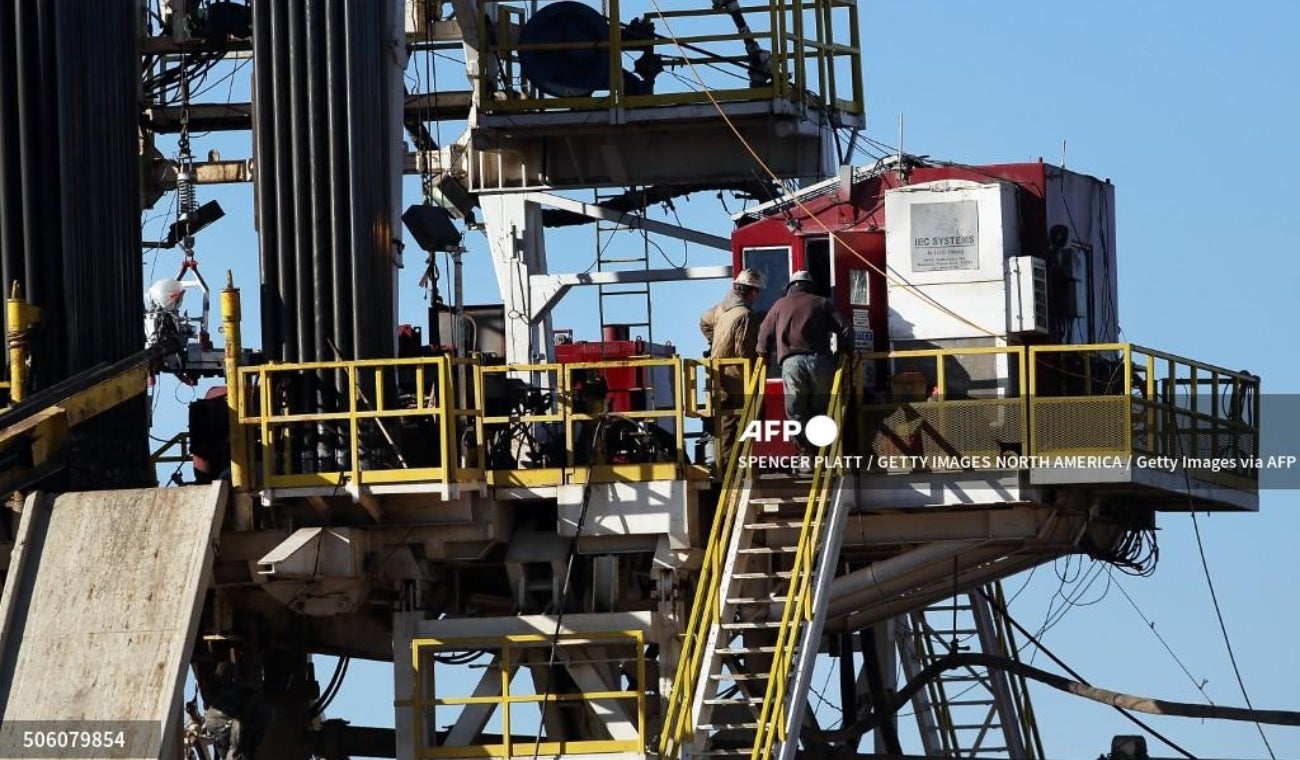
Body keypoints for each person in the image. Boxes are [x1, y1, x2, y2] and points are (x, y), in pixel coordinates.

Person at [757, 270, 851, 459]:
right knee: (822, 408)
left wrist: (763, 355)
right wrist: (843, 353)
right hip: (820, 362)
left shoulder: (779, 305)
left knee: (796, 411)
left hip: (791, 364)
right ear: (809, 286)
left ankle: (805, 453)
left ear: (791, 286)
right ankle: (824, 454)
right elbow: (845, 329)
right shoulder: (822, 302)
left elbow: (763, 336)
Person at [699, 268, 764, 471]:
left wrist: (713, 343)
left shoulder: (721, 310)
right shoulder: (745, 315)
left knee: (725, 423)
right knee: (746, 419)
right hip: (736, 376)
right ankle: (741, 466)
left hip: (717, 374)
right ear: (752, 292)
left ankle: (726, 467)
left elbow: (704, 321)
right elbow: (744, 351)